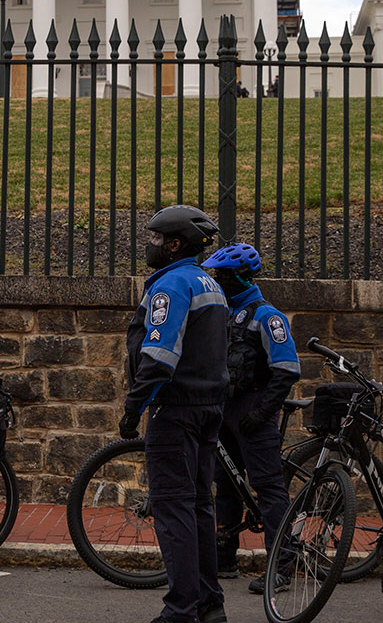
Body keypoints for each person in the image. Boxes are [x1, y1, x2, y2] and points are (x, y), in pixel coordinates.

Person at [120, 205, 230, 623]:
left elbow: (160, 356)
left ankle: (181, 610)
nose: (148, 245)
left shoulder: (171, 285)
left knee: (173, 510)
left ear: (174, 244)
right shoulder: (210, 284)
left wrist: (134, 406)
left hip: (177, 409)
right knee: (200, 506)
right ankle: (209, 605)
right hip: (209, 408)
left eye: (154, 238)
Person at [201, 242, 301, 594]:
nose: (219, 281)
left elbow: (288, 369)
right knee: (224, 484)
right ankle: (226, 557)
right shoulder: (221, 313)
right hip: (222, 409)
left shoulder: (267, 316)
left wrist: (262, 412)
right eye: (217, 274)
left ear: (244, 276)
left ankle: (282, 566)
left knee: (270, 487)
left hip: (254, 409)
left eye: (225, 276)